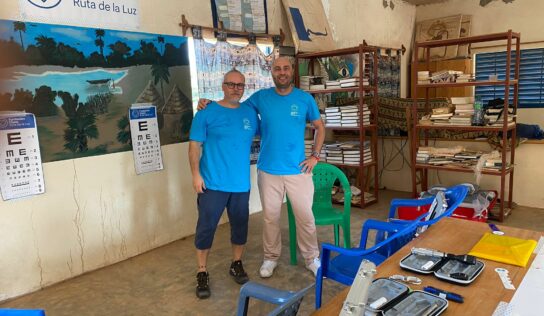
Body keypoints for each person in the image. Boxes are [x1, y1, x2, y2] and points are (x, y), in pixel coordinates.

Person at [199, 56, 326, 278]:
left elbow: (319, 127)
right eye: (277, 69)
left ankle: (311, 258)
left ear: (292, 71)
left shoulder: (305, 99)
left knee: (305, 217)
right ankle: (271, 258)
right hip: (268, 170)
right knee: (270, 218)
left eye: (286, 68)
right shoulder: (260, 98)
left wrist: (315, 156)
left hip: (299, 170)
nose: (282, 72)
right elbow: (233, 105)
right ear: (272, 72)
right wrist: (207, 103)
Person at [188, 69, 259, 299]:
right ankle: (202, 271)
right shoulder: (206, 113)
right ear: (223, 85)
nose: (235, 88)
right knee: (206, 228)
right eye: (231, 84)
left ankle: (236, 263)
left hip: (240, 185)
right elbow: (194, 147)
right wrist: (196, 175)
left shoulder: (249, 114)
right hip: (212, 184)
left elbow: (269, 133)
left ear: (244, 88)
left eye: (240, 85)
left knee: (240, 226)